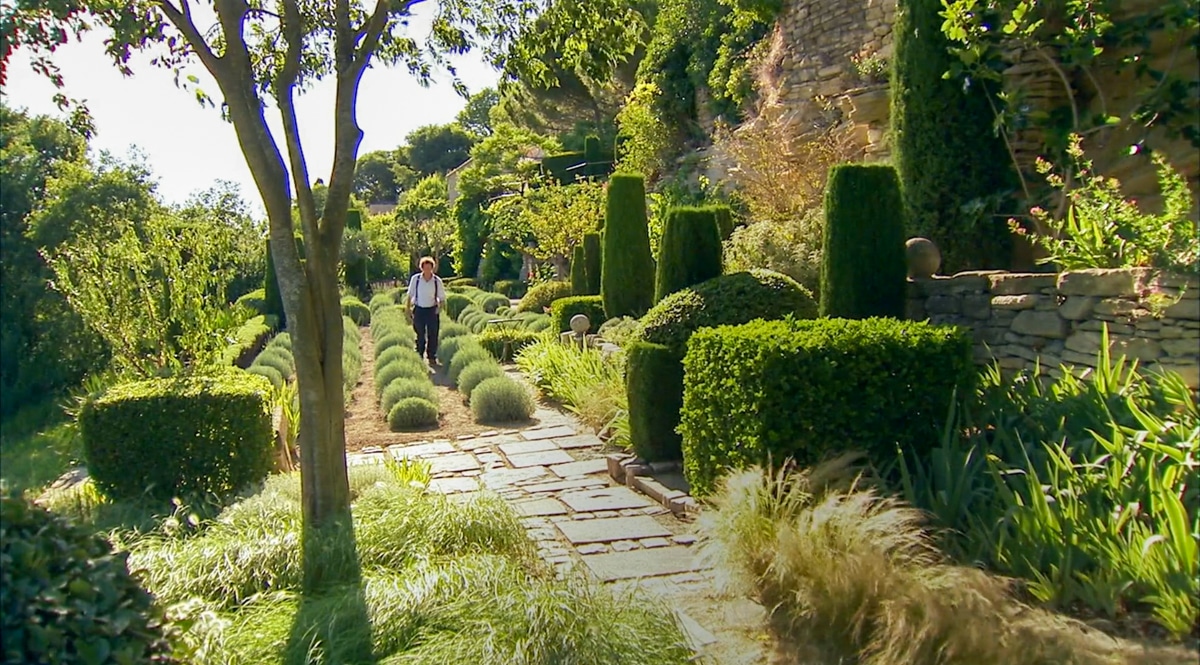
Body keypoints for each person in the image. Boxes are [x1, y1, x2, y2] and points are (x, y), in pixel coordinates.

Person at [407, 256, 445, 365]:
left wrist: (439, 309)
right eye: (425, 268)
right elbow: (409, 295)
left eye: (429, 268)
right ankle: (419, 355)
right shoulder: (416, 279)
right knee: (420, 334)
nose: (427, 270)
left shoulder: (437, 281)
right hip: (419, 310)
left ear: (432, 268)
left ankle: (431, 356)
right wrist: (408, 308)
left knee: (433, 334)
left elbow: (442, 298)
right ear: (421, 268)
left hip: (432, 310)